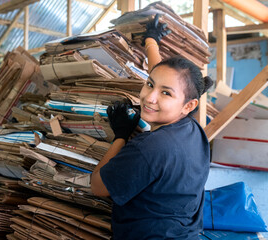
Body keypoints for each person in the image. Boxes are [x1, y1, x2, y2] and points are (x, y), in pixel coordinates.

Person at [91, 14, 213, 240]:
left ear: (189, 105)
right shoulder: (193, 130)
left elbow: (98, 186)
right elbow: (160, 73)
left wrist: (120, 136)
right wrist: (151, 41)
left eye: (165, 93)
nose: (149, 98)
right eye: (149, 85)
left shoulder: (148, 148)